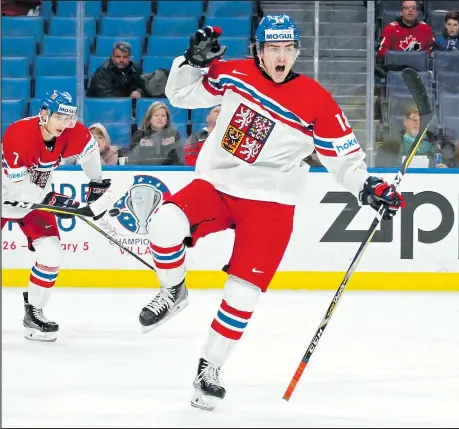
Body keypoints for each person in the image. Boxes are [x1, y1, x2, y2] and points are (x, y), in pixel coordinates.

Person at [138, 15, 406, 411]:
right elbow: (180, 96)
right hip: (217, 185)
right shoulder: (233, 73)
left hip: (271, 203)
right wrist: (192, 62)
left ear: (296, 51)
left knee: (243, 293)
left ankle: (208, 369)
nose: (281, 57)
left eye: (288, 49)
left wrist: (369, 187)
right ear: (258, 51)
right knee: (163, 222)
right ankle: (173, 290)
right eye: (272, 48)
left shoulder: (316, 100)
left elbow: (345, 160)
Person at [1, 90, 112, 342]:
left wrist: (96, 185)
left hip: (34, 199)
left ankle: (34, 313)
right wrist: (57, 202)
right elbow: (18, 190)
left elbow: (90, 152)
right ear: (43, 114)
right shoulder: (18, 135)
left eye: (68, 118)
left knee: (52, 254)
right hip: (7, 193)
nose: (64, 124)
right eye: (58, 117)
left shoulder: (75, 133)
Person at [127, 101, 184, 165]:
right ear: (149, 118)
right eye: (156, 115)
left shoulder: (174, 134)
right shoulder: (139, 135)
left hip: (168, 171)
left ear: (167, 119)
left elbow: (180, 159)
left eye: (163, 115)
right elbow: (132, 159)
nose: (160, 118)